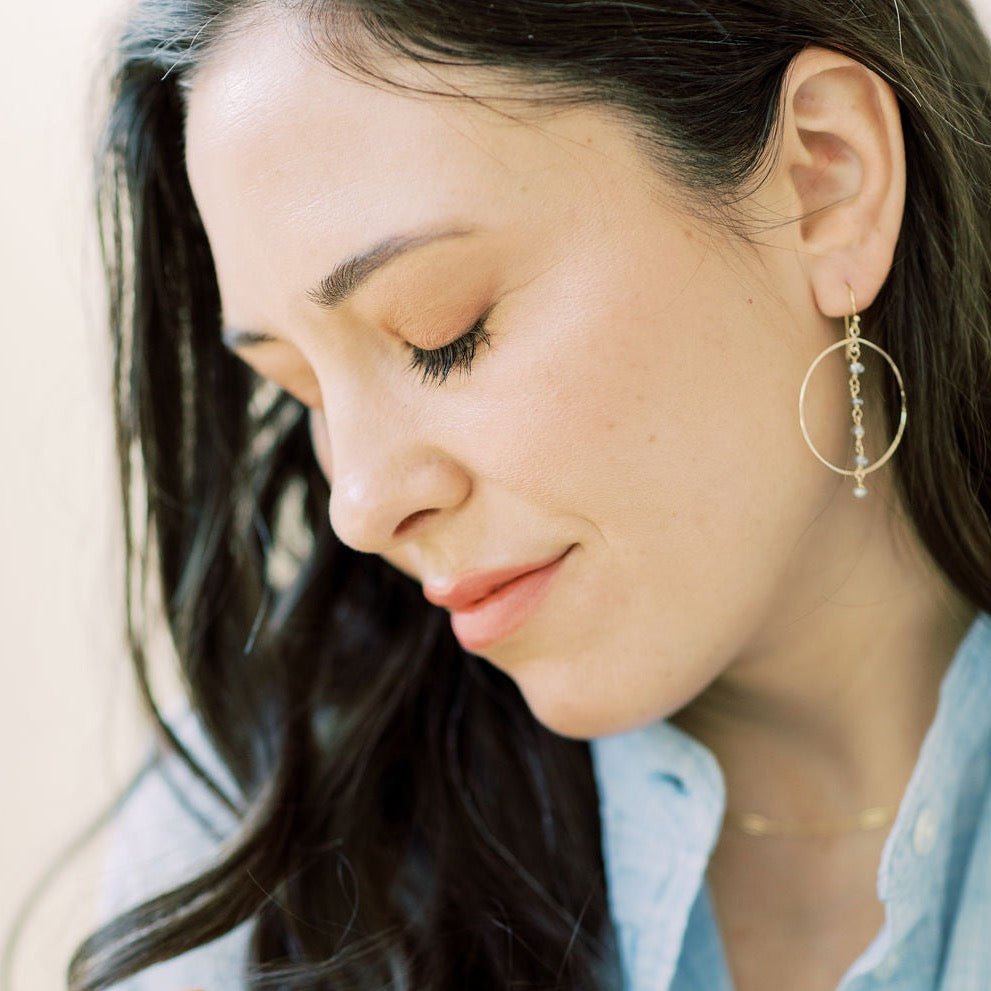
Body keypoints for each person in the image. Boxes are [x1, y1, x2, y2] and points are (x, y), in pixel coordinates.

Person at [66, 1, 991, 989]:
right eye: (296, 390)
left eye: (443, 332)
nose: (362, 505)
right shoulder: (260, 840)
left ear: (823, 179)